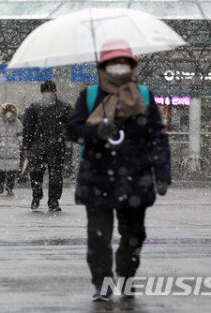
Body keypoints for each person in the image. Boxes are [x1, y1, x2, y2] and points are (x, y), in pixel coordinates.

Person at [67, 40, 171, 301]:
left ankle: (125, 278)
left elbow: (156, 136)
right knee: (98, 237)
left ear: (132, 65)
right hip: (97, 177)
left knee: (133, 235)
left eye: (124, 62)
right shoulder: (89, 96)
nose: (119, 68)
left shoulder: (144, 96)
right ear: (103, 66)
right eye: (113, 63)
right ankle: (102, 283)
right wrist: (95, 132)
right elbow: (72, 130)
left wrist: (163, 173)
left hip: (135, 177)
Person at [22, 80, 73, 211]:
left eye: (50, 92)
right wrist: (26, 146)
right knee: (35, 173)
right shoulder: (34, 107)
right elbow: (28, 128)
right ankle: (37, 196)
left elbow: (72, 126)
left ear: (55, 92)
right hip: (38, 146)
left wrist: (67, 140)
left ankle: (54, 200)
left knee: (56, 175)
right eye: (46, 92)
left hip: (57, 147)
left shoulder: (65, 107)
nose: (48, 95)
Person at [0, 103, 23, 197]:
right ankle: (1, 184)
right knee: (0, 171)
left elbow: (21, 135)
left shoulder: (17, 123)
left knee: (12, 171)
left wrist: (17, 142)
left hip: (12, 150)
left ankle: (10, 188)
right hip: (1, 150)